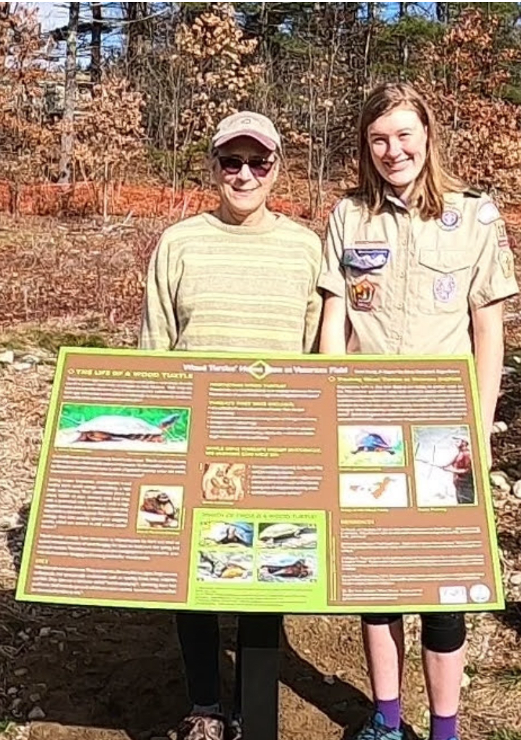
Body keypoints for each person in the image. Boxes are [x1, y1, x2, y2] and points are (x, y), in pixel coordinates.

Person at [318, 82, 519, 740]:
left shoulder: (474, 216)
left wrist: (479, 431)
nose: (392, 150)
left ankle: (444, 729)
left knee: (441, 589)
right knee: (378, 583)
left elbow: (488, 332)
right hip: (367, 425)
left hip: (442, 431)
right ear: (365, 146)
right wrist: (328, 407)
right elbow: (334, 319)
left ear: (427, 136)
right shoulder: (350, 216)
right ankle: (385, 718)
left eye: (404, 135)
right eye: (378, 139)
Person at [138, 110, 323, 740]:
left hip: (276, 441)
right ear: (214, 166)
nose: (244, 174)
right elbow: (155, 347)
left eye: (258, 162)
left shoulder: (305, 247)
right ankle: (205, 707)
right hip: (198, 438)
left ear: (277, 168)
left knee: (267, 567)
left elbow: (316, 354)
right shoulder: (179, 242)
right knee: (193, 575)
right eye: (231, 161)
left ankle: (254, 711)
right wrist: (153, 432)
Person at [442, 439, 474, 505]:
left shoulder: (467, 454)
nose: (455, 443)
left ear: (464, 443)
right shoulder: (459, 453)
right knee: (460, 502)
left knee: (466, 503)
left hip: (465, 485)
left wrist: (451, 470)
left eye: (457, 441)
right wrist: (444, 466)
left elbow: (467, 470)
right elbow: (450, 463)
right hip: (459, 484)